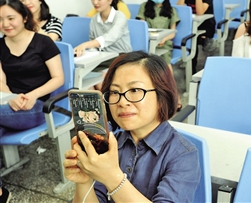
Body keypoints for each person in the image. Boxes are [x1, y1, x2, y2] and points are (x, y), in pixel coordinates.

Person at [63, 51, 201, 202]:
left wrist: (112, 177)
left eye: (135, 90)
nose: (122, 102)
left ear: (162, 95)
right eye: (115, 92)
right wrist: (84, 182)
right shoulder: (109, 144)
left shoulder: (184, 155)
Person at [0, 0, 64, 201]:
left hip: (37, 107)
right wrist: (10, 97)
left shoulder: (42, 42)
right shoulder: (0, 46)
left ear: (25, 17)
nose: (5, 24)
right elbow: (0, 81)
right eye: (0, 19)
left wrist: (33, 94)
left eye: (11, 18)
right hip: (8, 106)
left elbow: (58, 78)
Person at [136, 0, 182, 110]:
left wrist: (164, 39)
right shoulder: (144, 7)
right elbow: (141, 27)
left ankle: (175, 97)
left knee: (166, 68)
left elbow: (173, 32)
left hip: (164, 44)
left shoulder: (171, 10)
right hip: (148, 43)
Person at [74, 0, 132, 72]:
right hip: (102, 57)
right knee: (82, 72)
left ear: (110, 0)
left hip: (122, 58)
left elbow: (111, 37)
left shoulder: (120, 16)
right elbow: (93, 42)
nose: (95, 2)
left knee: (96, 76)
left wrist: (85, 45)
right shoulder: (94, 19)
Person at [177, 0, 217, 73]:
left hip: (206, 25)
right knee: (190, 37)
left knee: (197, 39)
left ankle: (204, 64)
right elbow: (178, 10)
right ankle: (191, 68)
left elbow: (200, 12)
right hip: (193, 25)